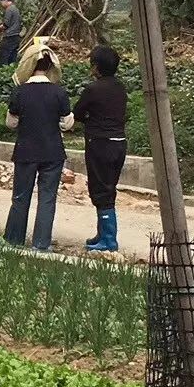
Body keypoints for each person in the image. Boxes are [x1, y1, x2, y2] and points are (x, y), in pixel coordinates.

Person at [4, 45, 73, 252]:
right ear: (51, 66)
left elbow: (11, 123)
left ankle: (13, 240)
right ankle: (41, 244)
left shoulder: (20, 92)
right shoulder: (59, 92)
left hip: (26, 151)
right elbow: (67, 123)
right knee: (47, 198)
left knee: (20, 196)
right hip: (53, 151)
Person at [73, 45, 128, 253]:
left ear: (96, 67)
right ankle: (102, 233)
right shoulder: (120, 88)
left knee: (100, 189)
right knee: (109, 187)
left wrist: (88, 119)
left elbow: (77, 113)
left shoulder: (93, 89)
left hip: (100, 143)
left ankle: (108, 239)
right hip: (119, 143)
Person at [0, 0, 22, 67]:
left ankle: (1, 73)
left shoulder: (9, 9)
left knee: (3, 58)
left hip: (9, 37)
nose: (1, 4)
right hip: (16, 37)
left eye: (1, 1)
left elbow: (5, 25)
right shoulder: (15, 9)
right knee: (12, 58)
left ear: (5, 0)